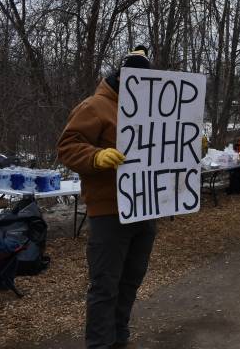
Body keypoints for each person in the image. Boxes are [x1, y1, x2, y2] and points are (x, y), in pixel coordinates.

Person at [57, 47, 154, 349]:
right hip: (109, 212)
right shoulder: (95, 106)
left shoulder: (150, 106)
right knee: (105, 286)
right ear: (122, 77)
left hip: (146, 210)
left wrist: (188, 146)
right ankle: (100, 344)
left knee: (130, 282)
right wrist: (96, 157)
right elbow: (67, 147)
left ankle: (119, 340)